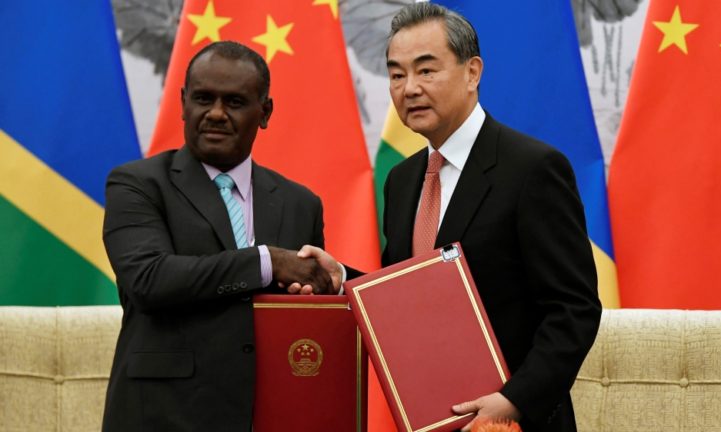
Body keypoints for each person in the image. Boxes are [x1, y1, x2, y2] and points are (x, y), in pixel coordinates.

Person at [382, 4, 601, 431]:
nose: (409, 89)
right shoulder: (402, 180)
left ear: (472, 72)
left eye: (426, 71)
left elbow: (574, 309)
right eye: (396, 75)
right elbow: (403, 290)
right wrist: (338, 276)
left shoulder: (533, 169)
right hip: (430, 418)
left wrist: (514, 401)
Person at [101, 41, 336, 431]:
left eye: (235, 102)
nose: (215, 113)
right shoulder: (137, 184)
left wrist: (322, 286)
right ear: (183, 103)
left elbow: (308, 316)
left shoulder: (301, 204)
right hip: (163, 416)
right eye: (203, 98)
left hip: (269, 415)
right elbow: (149, 280)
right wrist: (267, 261)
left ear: (265, 112)